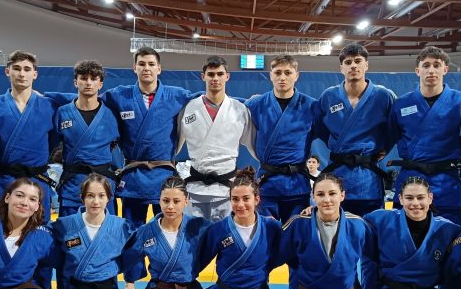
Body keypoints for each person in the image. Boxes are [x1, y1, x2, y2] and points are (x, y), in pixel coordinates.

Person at [275, 173, 375, 289]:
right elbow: (278, 257)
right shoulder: (298, 223)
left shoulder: (358, 225)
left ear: (342, 195)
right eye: (320, 194)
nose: (327, 199)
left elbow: (374, 260)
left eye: (332, 193)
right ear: (313, 197)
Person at [104, 47, 195, 227]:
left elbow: (206, 99)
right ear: (134, 68)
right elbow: (90, 99)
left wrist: (246, 103)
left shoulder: (175, 95)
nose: (146, 68)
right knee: (132, 232)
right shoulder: (119, 95)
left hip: (164, 177)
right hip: (134, 176)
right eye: (142, 64)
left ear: (159, 69)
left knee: (166, 230)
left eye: (151, 64)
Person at [388, 46, 461, 225]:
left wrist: (458, 155)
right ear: (417, 70)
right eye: (426, 65)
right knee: (405, 234)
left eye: (437, 65)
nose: (431, 70)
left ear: (445, 69)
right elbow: (391, 135)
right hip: (411, 179)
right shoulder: (401, 104)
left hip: (446, 180)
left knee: (448, 235)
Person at [198, 168, 281, 289]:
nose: (240, 204)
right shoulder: (218, 230)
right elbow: (199, 261)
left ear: (257, 199)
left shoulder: (271, 227)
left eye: (246, 198)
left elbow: (284, 254)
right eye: (235, 199)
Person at [121, 176, 209, 289]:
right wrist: (128, 284)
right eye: (165, 200)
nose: (170, 206)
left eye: (176, 201)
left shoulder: (199, 227)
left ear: (186, 201)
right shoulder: (146, 231)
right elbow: (127, 259)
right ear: (159, 201)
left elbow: (219, 245)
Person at [51, 174, 132, 289]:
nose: (96, 201)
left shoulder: (121, 227)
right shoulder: (65, 225)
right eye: (90, 196)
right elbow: (45, 248)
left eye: (101, 196)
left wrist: (130, 285)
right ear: (82, 198)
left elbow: (135, 254)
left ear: (109, 198)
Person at [315, 44, 393, 217]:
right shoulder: (329, 96)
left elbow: (394, 129)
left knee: (371, 226)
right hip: (338, 172)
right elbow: (320, 129)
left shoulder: (383, 96)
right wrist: (339, 144)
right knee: (337, 226)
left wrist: (385, 148)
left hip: (368, 175)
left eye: (358, 61)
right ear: (341, 68)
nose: (353, 66)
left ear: (366, 65)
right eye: (348, 62)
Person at [0, 50, 58, 222]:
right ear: (7, 71)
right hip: (6, 180)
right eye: (16, 68)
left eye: (27, 69)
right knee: (3, 230)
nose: (22, 74)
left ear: (35, 74)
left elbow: (54, 139)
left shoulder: (50, 106)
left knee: (39, 231)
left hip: (37, 180)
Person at [177, 55, 255, 221]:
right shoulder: (189, 108)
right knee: (194, 234)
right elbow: (174, 146)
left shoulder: (239, 110)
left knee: (224, 235)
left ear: (227, 76)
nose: (215, 78)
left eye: (220, 74)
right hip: (195, 189)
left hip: (227, 189)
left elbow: (254, 146)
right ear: (203, 76)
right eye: (211, 74)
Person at [245, 55, 317, 221]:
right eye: (277, 72)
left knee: (296, 231)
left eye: (288, 72)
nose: (282, 77)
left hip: (297, 185)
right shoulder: (255, 104)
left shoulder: (311, 106)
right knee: (267, 231)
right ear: (271, 75)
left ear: (296, 75)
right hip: (267, 184)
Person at [55, 60, 120, 217]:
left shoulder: (112, 114)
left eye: (93, 79)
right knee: (70, 230)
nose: (88, 83)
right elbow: (51, 145)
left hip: (103, 184)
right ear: (75, 82)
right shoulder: (62, 112)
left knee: (105, 230)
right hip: (73, 185)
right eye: (83, 78)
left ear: (100, 84)